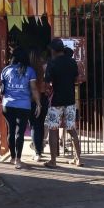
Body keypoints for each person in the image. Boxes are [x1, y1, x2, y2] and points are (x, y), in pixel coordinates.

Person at [0, 48, 40, 169]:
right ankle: (18, 160)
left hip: (7, 105)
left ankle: (12, 158)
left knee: (11, 131)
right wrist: (38, 104)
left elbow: (1, 89)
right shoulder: (30, 71)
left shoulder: (5, 70)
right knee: (19, 133)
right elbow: (33, 89)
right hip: (24, 106)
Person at [44, 38, 82, 167]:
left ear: (53, 50)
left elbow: (47, 84)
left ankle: (53, 161)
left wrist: (48, 91)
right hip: (70, 101)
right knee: (72, 129)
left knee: (53, 130)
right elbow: (77, 79)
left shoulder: (52, 63)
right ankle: (78, 159)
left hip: (56, 101)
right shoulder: (72, 62)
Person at [28, 49, 50, 161]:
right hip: (43, 97)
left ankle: (37, 152)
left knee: (34, 126)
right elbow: (49, 83)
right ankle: (40, 150)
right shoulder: (44, 67)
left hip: (31, 99)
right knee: (41, 124)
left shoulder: (28, 69)